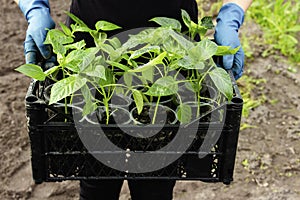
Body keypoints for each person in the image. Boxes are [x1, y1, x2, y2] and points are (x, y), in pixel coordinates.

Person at [15, 0, 252, 199]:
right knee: (95, 176)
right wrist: (35, 8)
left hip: (169, 56)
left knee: (156, 179)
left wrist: (233, 13)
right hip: (91, 50)